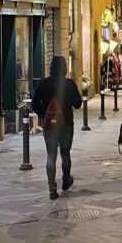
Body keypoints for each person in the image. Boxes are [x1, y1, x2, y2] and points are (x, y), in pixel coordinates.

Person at [32, 56, 82, 200]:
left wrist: (43, 114)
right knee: (65, 153)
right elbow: (78, 104)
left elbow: (34, 103)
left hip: (49, 125)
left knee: (51, 155)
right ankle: (66, 179)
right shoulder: (70, 84)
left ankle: (51, 188)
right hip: (66, 124)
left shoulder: (42, 84)